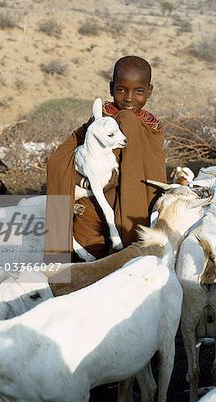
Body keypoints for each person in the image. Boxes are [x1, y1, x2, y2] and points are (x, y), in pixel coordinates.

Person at [45, 55, 166, 262]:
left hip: (131, 215)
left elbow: (152, 170)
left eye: (138, 91)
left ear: (149, 91)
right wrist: (85, 182)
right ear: (111, 88)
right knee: (86, 270)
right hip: (91, 213)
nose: (128, 98)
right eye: (121, 89)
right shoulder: (100, 121)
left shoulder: (151, 126)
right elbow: (59, 160)